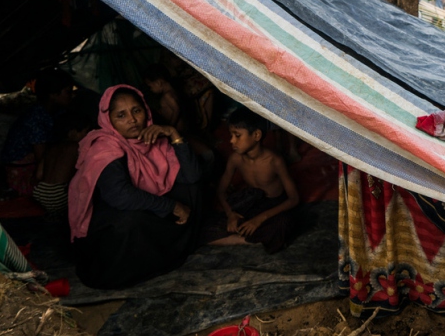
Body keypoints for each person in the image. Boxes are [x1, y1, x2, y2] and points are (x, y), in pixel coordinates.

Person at [67, 85, 202, 289]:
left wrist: (174, 134)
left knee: (193, 191)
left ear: (146, 111)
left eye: (136, 110)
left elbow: (192, 176)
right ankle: (126, 272)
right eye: (121, 115)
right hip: (108, 224)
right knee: (131, 221)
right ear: (108, 120)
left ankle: (169, 255)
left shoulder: (154, 140)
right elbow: (119, 196)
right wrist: (171, 206)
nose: (132, 119)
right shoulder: (104, 148)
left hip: (144, 204)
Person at [208, 108, 301, 253]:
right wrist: (230, 214)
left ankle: (245, 237)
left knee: (283, 225)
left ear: (256, 135)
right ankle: (247, 238)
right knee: (205, 225)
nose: (231, 140)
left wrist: (259, 219)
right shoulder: (235, 159)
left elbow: (294, 199)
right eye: (231, 135)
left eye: (237, 135)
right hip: (252, 202)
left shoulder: (274, 160)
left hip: (273, 207)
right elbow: (221, 191)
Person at [0, 69, 75, 196]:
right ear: (53, 94)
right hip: (22, 175)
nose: (72, 96)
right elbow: (43, 158)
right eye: (68, 92)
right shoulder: (35, 118)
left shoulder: (57, 113)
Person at [32, 112, 93, 215]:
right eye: (85, 132)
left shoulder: (51, 147)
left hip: (40, 190)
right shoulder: (76, 147)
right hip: (59, 193)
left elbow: (39, 175)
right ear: (73, 132)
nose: (87, 136)